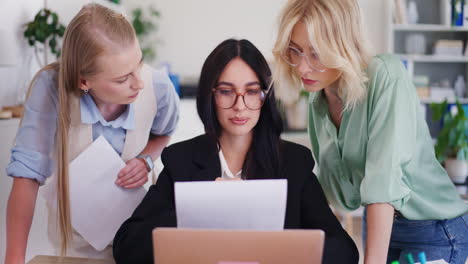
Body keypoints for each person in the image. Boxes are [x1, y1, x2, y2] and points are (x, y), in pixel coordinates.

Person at [112, 38, 358, 264]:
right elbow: (127, 247)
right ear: (210, 95)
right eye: (227, 92)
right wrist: (200, 207)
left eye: (252, 92)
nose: (240, 107)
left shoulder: (293, 162)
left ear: (265, 97)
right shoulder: (182, 159)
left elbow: (345, 252)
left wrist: (288, 248)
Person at [272, 1, 468, 264]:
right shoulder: (318, 102)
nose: (302, 67)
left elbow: (381, 181)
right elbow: (337, 194)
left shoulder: (385, 75)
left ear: (343, 46)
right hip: (381, 226)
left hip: (433, 228)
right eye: (295, 51)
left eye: (316, 53)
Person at [4, 3, 179, 263]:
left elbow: (163, 134)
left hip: (139, 240)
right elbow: (26, 177)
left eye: (138, 63)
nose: (138, 83)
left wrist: (145, 158)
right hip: (73, 243)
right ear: (83, 82)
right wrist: (13, 259)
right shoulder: (50, 87)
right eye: (122, 79)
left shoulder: (159, 88)